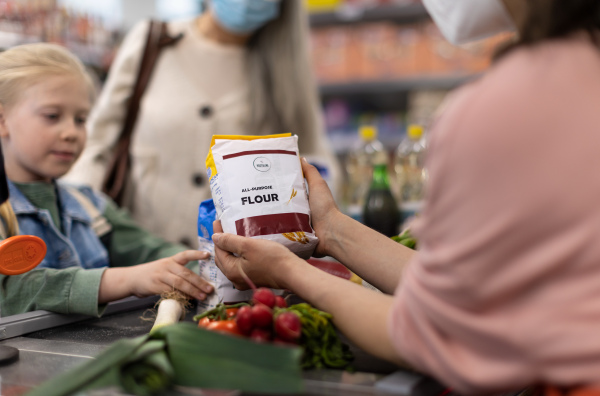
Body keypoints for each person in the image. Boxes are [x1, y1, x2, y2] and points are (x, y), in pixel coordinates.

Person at [210, 0, 600, 394]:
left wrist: (287, 271)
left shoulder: (504, 106)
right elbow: (467, 295)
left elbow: (434, 333)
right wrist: (330, 229)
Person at [64, 0, 341, 248]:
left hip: (238, 274)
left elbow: (317, 162)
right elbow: (97, 143)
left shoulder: (285, 70)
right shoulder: (154, 41)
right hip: (141, 263)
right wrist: (80, 220)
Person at [0, 43, 214, 317]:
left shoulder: (89, 204)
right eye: (52, 116)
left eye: (81, 119)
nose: (71, 132)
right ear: (2, 119)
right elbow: (9, 292)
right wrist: (125, 280)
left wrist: (205, 269)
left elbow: (148, 251)